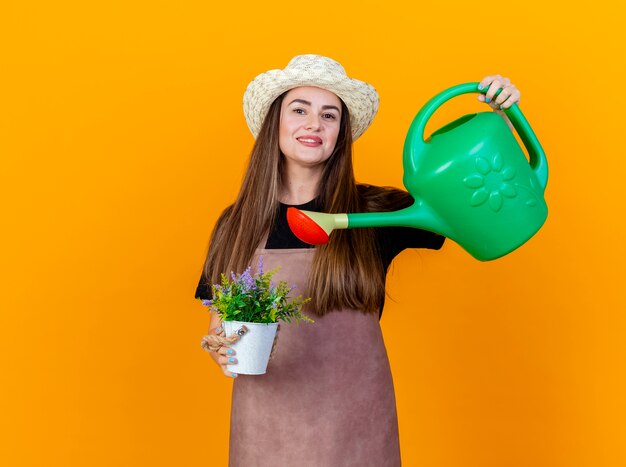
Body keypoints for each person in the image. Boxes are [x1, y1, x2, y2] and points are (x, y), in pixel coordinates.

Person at [195, 54, 521, 466]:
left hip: (357, 433)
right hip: (265, 433)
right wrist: (221, 349)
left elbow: (471, 204)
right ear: (274, 122)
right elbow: (218, 328)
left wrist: (501, 118)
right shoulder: (236, 224)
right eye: (300, 110)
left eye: (329, 116)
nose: (314, 124)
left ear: (340, 135)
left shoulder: (374, 212)